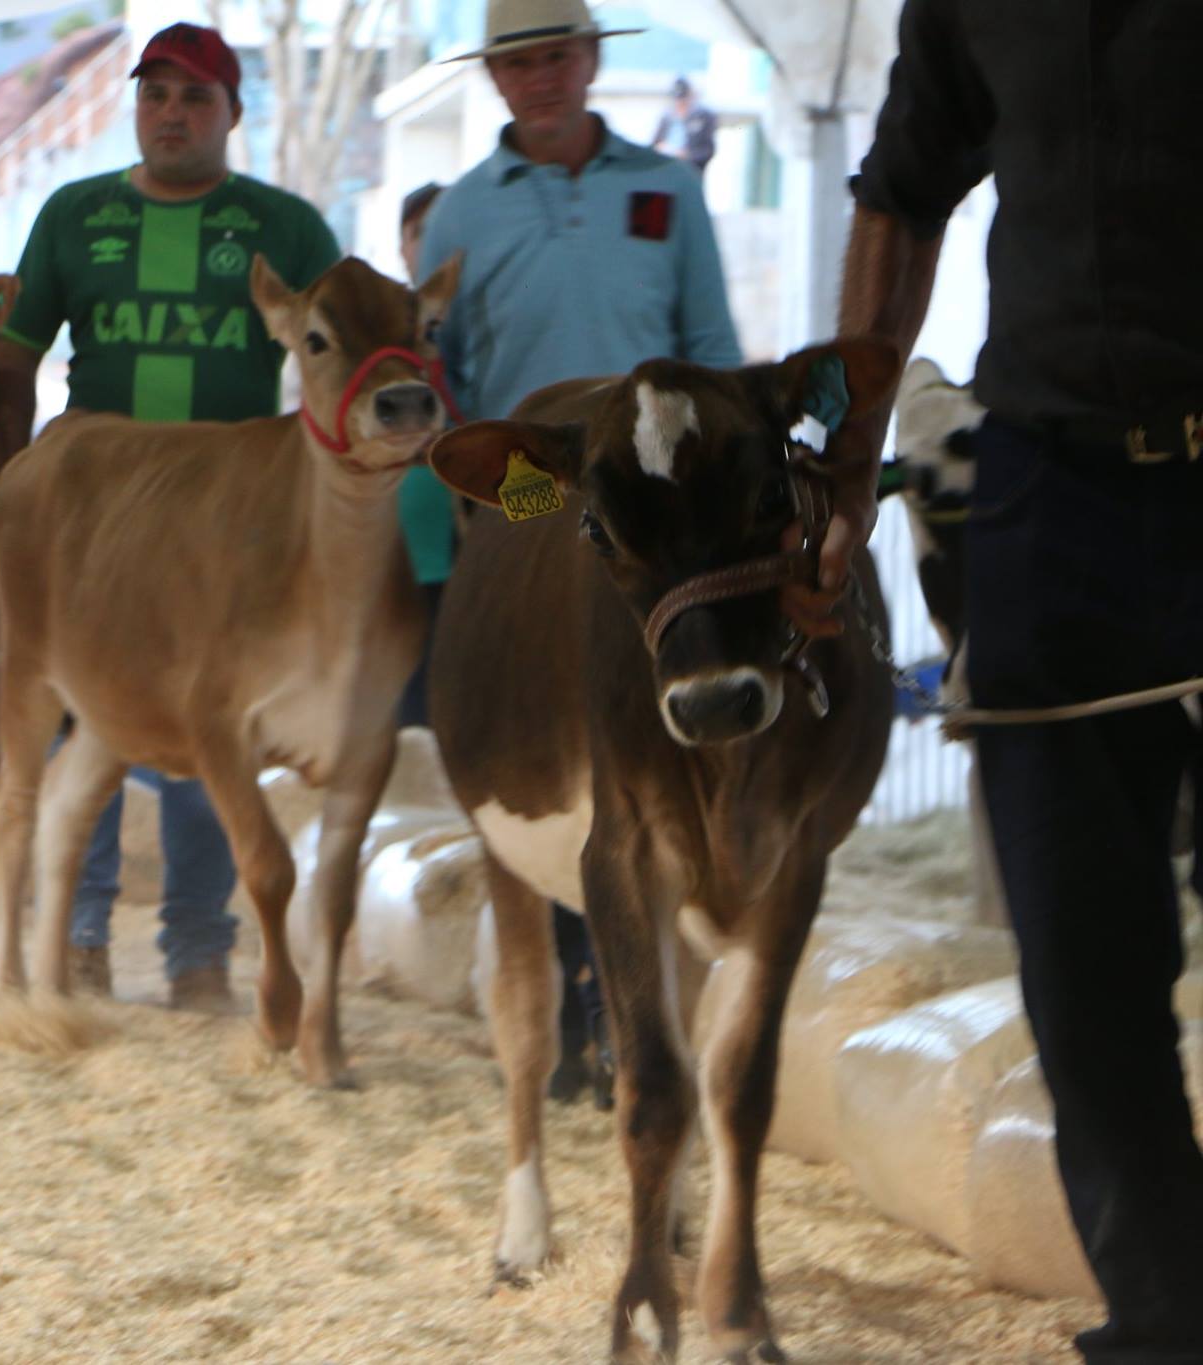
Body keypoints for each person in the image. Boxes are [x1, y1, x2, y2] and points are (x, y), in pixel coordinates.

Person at [799, 4, 1203, 1359]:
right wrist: (844, 460)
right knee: (1083, 958)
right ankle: (1165, 1321)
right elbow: (900, 194)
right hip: (1051, 484)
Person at [416, 0, 744, 1104]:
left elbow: (710, 354)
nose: (538, 78)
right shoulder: (459, 211)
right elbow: (442, 383)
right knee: (538, 749)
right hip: (528, 507)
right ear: (495, 81)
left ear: (590, 59)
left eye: (554, 55)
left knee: (659, 738)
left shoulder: (671, 192)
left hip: (662, 517)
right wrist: (472, 516)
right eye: (516, 62)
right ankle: (562, 1010)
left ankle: (637, 1015)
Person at [0, 21, 340, 1010]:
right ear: (133, 109)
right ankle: (80, 937)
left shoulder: (288, 227)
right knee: (78, 708)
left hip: (231, 522)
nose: (172, 113)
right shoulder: (70, 214)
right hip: (92, 519)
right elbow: (10, 356)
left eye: (195, 97)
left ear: (234, 113)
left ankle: (196, 949)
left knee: (210, 719)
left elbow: (346, 345)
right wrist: (5, 480)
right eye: (154, 95)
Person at [395, 181, 450, 729]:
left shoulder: (484, 327)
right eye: (418, 232)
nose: (430, 242)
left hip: (482, 542)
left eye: (442, 229)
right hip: (401, 552)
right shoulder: (381, 332)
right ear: (402, 247)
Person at [650, 75, 717, 175]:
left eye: (683, 101)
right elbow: (653, 144)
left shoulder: (703, 117)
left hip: (689, 171)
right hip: (665, 169)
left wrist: (687, 155)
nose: (679, 105)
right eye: (677, 101)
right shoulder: (666, 117)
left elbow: (707, 151)